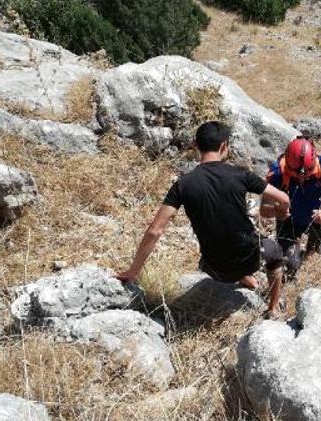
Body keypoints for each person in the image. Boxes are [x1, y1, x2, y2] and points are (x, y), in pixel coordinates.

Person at [117, 121, 291, 318]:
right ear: (224, 145)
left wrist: (132, 271)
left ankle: (248, 281)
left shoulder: (182, 185)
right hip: (249, 260)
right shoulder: (241, 175)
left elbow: (154, 231)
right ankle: (273, 308)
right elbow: (283, 198)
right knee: (274, 251)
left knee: (221, 241)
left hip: (212, 267)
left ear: (196, 145)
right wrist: (281, 212)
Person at [260, 136, 321, 280]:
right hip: (288, 221)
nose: (302, 178)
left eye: (308, 173)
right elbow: (263, 209)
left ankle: (310, 251)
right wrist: (277, 211)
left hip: (316, 217)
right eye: (297, 174)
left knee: (315, 242)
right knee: (291, 265)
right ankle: (296, 247)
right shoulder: (277, 172)